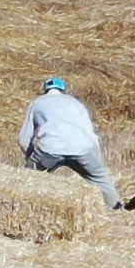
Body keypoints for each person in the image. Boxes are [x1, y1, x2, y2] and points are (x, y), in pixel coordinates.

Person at [17, 77, 120, 208]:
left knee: (28, 180)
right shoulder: (75, 103)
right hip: (81, 148)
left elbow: (25, 138)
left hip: (49, 148)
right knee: (101, 179)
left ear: (45, 89)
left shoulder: (37, 103)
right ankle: (115, 208)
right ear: (64, 89)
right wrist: (96, 161)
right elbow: (90, 134)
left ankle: (24, 208)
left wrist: (31, 160)